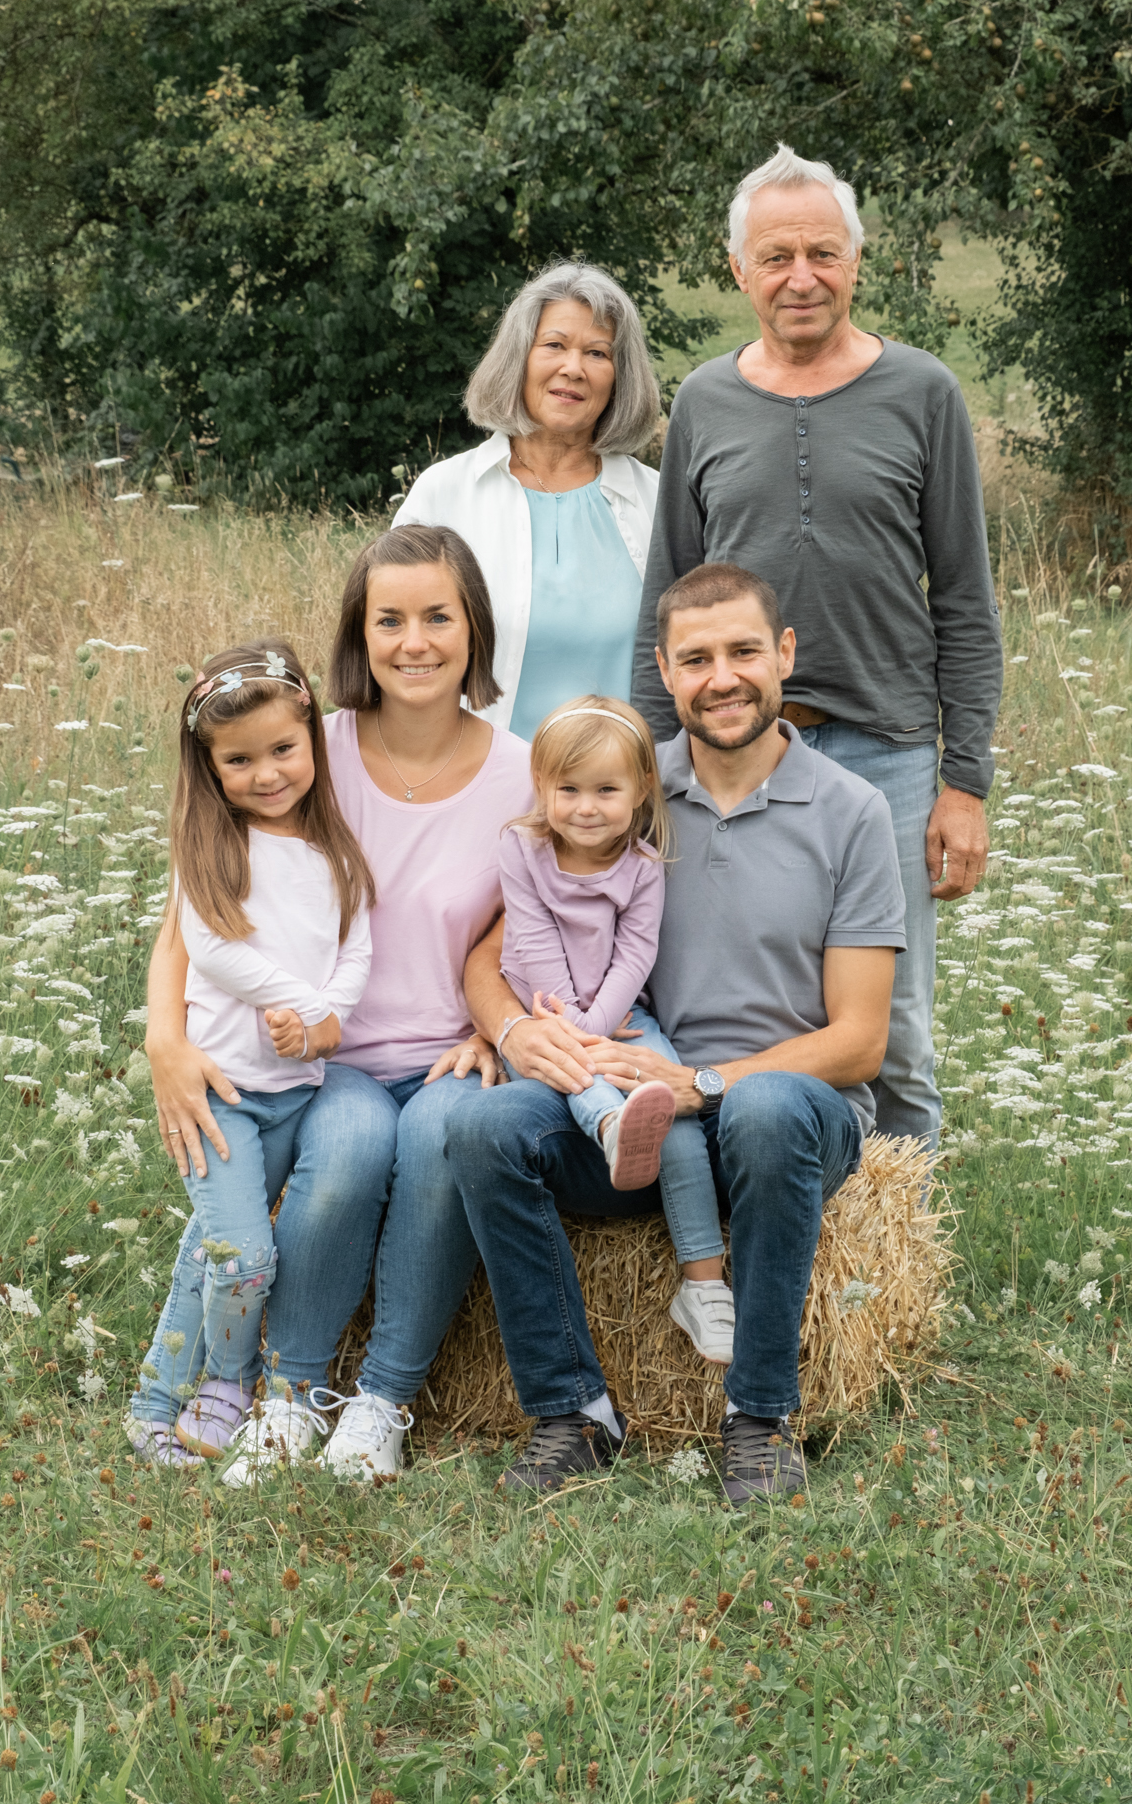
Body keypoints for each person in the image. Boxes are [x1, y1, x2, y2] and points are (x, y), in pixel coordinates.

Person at [447, 563, 907, 1502]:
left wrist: (702, 1080)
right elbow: (487, 958)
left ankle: (760, 1419)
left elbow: (861, 1040)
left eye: (743, 651)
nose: (722, 677)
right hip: (635, 1121)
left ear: (784, 655)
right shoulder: (614, 786)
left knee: (769, 1109)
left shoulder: (850, 812)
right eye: (695, 658)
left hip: (786, 1124)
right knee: (484, 1129)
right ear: (663, 668)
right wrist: (507, 1031)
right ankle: (572, 1411)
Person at [137, 523, 533, 1484]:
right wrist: (164, 1037)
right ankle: (291, 1394)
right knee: (351, 1149)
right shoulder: (311, 749)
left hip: (448, 1050)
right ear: (358, 634)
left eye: (438, 616)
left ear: (473, 626)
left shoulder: (525, 771)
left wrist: (499, 1019)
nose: (414, 641)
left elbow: (541, 917)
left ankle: (383, 1402)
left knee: (441, 1141)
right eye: (387, 619)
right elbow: (196, 907)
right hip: (330, 1060)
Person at [631, 144, 1003, 1151]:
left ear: (857, 261)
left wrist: (963, 781)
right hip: (726, 759)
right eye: (778, 255)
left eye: (824, 253)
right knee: (714, 1011)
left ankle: (894, 1292)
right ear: (739, 269)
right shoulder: (705, 399)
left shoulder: (924, 393)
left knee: (898, 1038)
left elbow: (965, 598)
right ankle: (751, 1249)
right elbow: (667, 594)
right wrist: (646, 765)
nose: (802, 276)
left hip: (885, 756)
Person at [130, 640, 375, 1465]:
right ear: (210, 767)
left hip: (295, 1086)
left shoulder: (336, 851)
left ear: (311, 737)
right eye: (238, 760)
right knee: (243, 1257)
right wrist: (297, 1003)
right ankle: (228, 1383)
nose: (266, 773)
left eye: (281, 750)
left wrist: (328, 1022)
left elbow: (357, 951)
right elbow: (212, 948)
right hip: (221, 1092)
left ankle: (153, 1406)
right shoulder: (214, 847)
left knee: (212, 1247)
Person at [498, 695, 734, 1364]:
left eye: (606, 790)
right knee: (579, 1077)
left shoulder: (642, 866)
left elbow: (636, 953)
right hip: (543, 1022)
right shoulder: (522, 848)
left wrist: (601, 1031)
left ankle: (703, 1285)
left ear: (639, 791)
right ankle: (608, 1128)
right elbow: (536, 944)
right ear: (541, 786)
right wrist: (579, 1036)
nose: (585, 806)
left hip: (622, 1019)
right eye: (567, 789)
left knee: (674, 1114)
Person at [392, 264, 661, 738]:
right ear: (519, 357)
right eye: (554, 345)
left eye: (597, 353)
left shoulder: (657, 500)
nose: (573, 368)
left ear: (621, 377)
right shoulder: (445, 494)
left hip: (617, 797)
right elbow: (388, 639)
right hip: (477, 788)